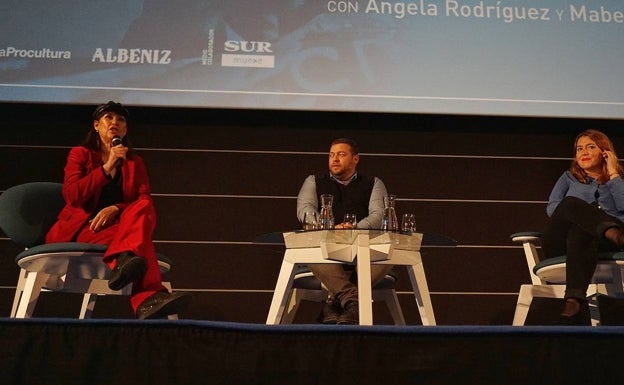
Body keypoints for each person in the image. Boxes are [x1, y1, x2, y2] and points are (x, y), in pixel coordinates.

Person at [45, 101, 191, 320]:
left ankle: (125, 260)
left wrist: (115, 207)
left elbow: (142, 199)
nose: (115, 123)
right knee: (141, 244)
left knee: (143, 205)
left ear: (125, 129)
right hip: (83, 228)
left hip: (117, 229)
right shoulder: (81, 154)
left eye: (120, 119)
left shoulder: (135, 163)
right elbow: (72, 196)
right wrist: (107, 167)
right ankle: (146, 298)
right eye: (108, 118)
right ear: (96, 125)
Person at [296, 138, 392, 325]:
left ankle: (334, 301)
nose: (335, 159)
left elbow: (379, 215)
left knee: (387, 254)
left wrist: (354, 229)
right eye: (331, 155)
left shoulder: (373, 183)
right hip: (326, 256)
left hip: (364, 254)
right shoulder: (314, 181)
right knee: (312, 248)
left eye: (341, 154)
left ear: (355, 159)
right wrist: (331, 228)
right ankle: (352, 300)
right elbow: (304, 210)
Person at [541, 129, 624, 325]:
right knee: (570, 204)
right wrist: (584, 214)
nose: (583, 152)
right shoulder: (568, 178)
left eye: (590, 147)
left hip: (598, 245)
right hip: (558, 242)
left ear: (605, 152)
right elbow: (554, 208)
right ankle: (616, 235)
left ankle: (573, 300)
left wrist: (613, 175)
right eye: (579, 149)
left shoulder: (618, 180)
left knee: (582, 232)